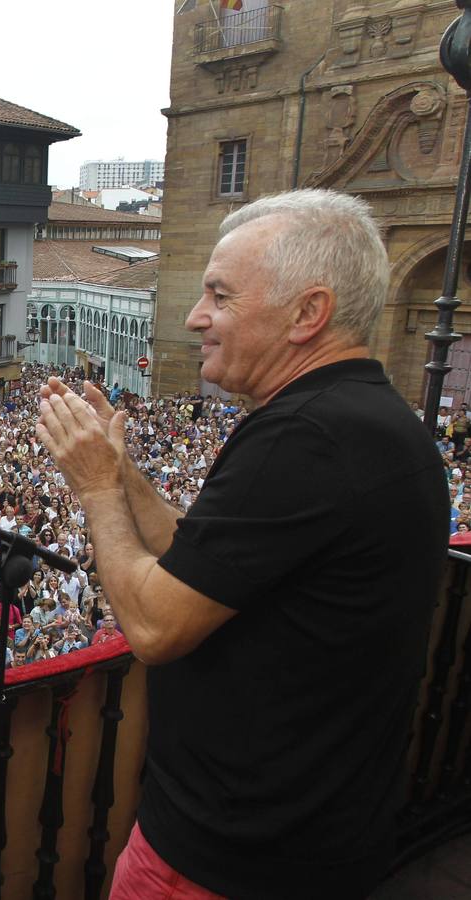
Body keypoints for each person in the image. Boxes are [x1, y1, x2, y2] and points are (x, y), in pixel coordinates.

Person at [36, 189, 449, 900]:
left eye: (219, 297)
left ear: (307, 314)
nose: (197, 317)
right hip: (319, 838)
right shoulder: (368, 419)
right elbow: (198, 555)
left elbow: (156, 625)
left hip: (227, 857)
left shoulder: (306, 439)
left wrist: (97, 487)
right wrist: (126, 471)